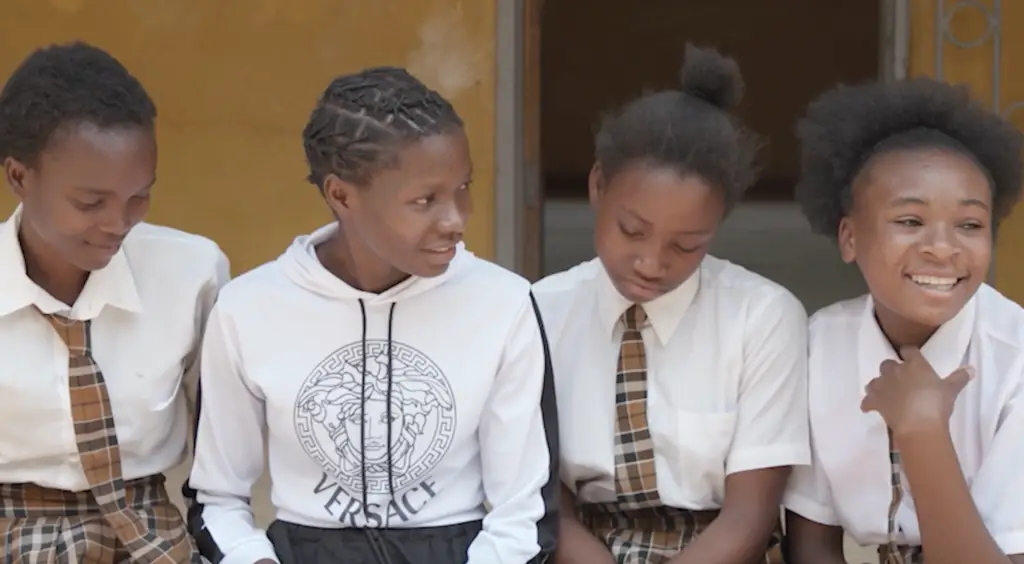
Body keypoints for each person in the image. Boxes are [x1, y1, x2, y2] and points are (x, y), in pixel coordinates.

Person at [184, 66, 558, 564]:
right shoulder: (248, 308)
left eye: (463, 187)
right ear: (342, 195)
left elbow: (524, 514)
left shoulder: (504, 303)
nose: (455, 220)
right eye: (425, 200)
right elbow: (217, 499)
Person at [533, 44, 810, 564]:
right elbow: (551, 504)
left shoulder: (764, 317)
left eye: (687, 245)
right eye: (632, 231)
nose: (652, 262)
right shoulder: (540, 312)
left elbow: (749, 520)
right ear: (597, 186)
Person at [0, 42, 227, 563]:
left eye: (139, 196)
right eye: (90, 202)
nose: (119, 223)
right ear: (18, 177)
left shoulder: (192, 273)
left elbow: (218, 466)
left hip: (150, 538)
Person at [782, 77, 1024, 564]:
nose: (941, 246)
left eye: (970, 225)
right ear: (849, 238)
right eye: (910, 221)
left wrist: (922, 429)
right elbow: (812, 543)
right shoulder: (818, 346)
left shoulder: (1015, 361)